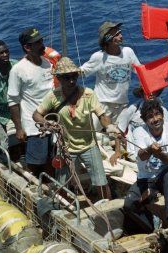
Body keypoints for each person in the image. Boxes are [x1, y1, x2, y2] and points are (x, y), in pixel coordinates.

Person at [33, 57, 121, 201]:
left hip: (89, 145)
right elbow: (36, 114)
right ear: (59, 78)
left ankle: (108, 210)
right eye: (67, 77)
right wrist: (47, 124)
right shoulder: (53, 96)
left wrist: (109, 126)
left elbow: (102, 115)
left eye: (74, 76)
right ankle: (62, 209)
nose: (72, 81)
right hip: (65, 147)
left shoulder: (88, 94)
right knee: (62, 184)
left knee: (101, 182)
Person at [122, 99, 168, 233]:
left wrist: (159, 153)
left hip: (167, 174)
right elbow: (141, 155)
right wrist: (150, 150)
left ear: (162, 114)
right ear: (144, 121)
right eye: (150, 117)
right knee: (129, 204)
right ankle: (150, 227)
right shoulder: (138, 132)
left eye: (157, 114)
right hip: (147, 177)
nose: (155, 119)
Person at [8, 27, 55, 177]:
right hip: (34, 125)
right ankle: (34, 186)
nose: (43, 45)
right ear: (27, 47)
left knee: (53, 158)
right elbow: (13, 101)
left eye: (41, 41)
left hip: (53, 121)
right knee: (36, 161)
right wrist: (19, 129)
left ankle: (53, 186)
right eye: (37, 43)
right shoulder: (18, 70)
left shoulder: (48, 63)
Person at [81, 21, 141, 123]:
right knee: (94, 134)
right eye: (116, 35)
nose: (121, 36)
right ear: (107, 39)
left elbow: (140, 72)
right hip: (102, 105)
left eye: (120, 33)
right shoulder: (99, 57)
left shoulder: (128, 52)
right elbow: (81, 72)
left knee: (120, 136)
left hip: (122, 105)